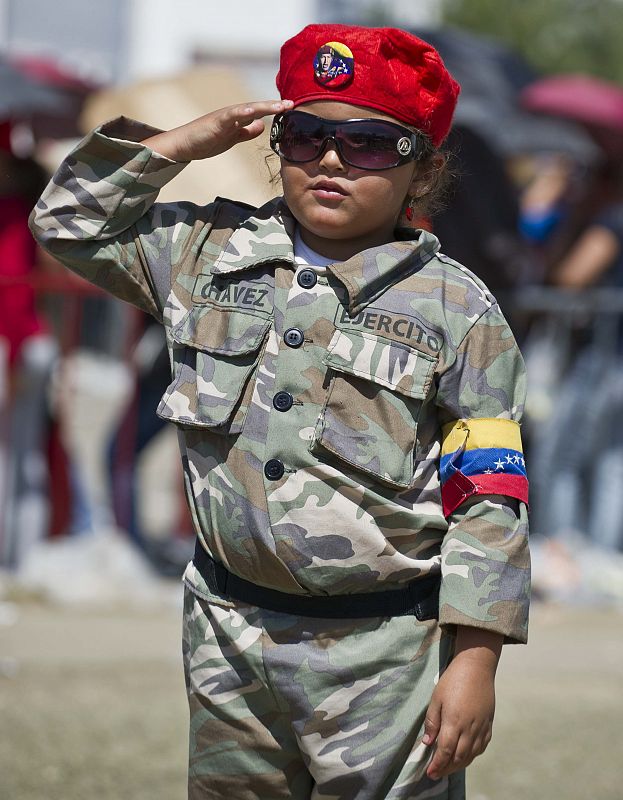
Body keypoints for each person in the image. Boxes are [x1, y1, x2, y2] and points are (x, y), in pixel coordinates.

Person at [30, 24, 530, 800]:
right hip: (228, 635)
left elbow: (487, 498)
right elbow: (67, 226)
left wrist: (474, 661)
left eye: (368, 145)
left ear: (421, 170)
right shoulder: (203, 253)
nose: (331, 161)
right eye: (306, 136)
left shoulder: (456, 309)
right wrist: (177, 144)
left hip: (382, 655)